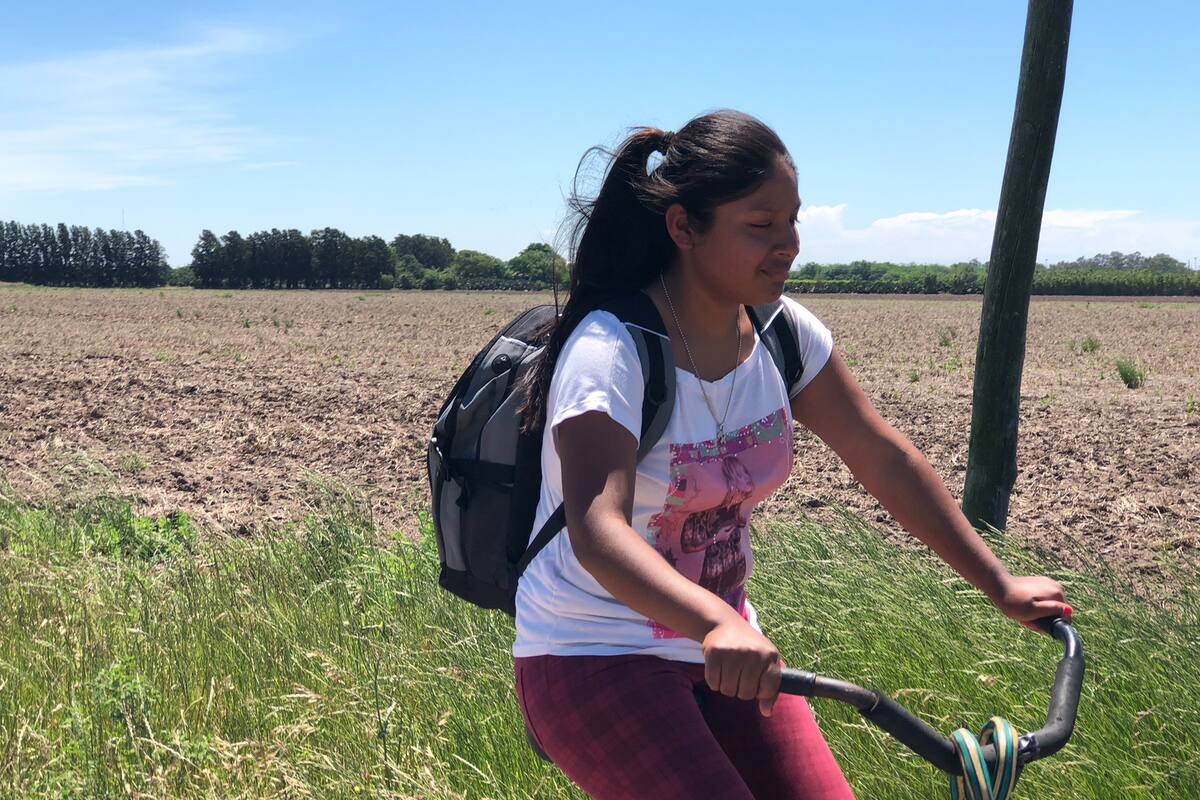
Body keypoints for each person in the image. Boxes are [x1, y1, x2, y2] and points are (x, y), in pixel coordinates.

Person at [510, 109, 1072, 799]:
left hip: (727, 645)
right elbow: (597, 532)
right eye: (760, 224)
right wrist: (716, 620)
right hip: (592, 649)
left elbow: (882, 457)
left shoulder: (782, 335)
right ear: (684, 228)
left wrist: (999, 584)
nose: (789, 244)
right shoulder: (611, 350)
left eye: (792, 220)